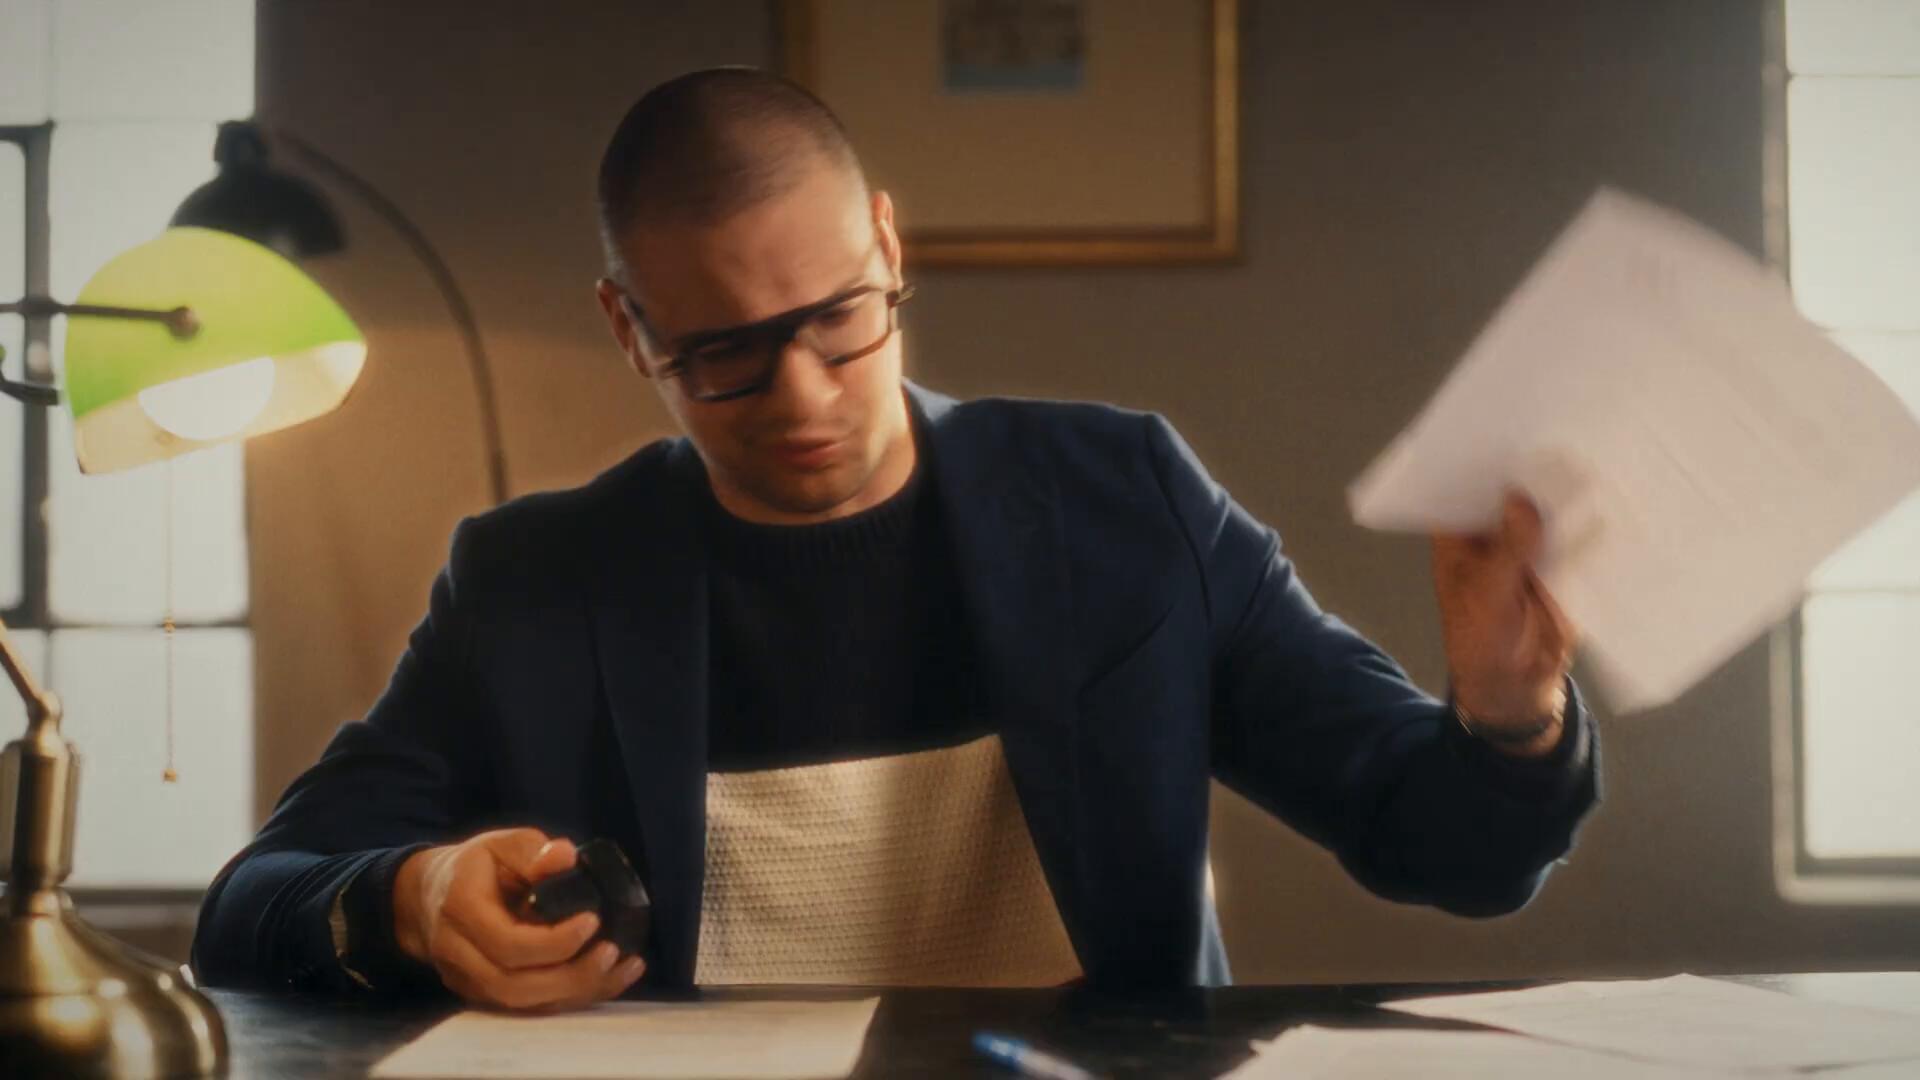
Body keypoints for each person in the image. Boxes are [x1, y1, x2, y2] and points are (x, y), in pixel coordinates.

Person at [192, 67, 1597, 1012]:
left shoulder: (1123, 500)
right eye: (725, 354)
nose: (803, 396)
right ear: (630, 328)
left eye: (838, 320)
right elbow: (249, 908)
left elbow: (1458, 856)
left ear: (885, 243)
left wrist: (1506, 711)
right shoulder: (532, 583)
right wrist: (411, 897)